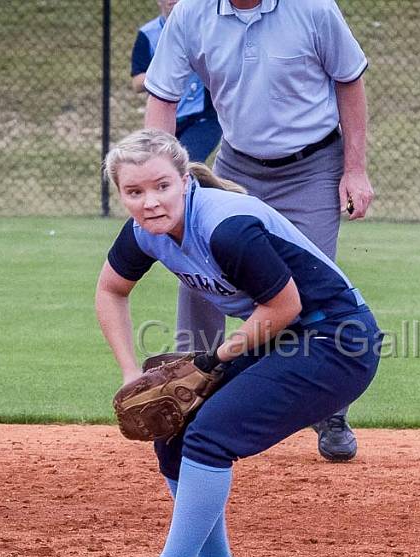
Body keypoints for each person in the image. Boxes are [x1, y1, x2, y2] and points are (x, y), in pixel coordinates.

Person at [93, 130, 381, 557]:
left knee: (211, 434)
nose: (150, 201)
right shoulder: (144, 232)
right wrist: (130, 372)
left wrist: (216, 358)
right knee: (176, 432)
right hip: (286, 336)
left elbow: (284, 305)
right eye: (134, 192)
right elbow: (110, 290)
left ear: (185, 181)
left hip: (339, 341)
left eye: (162, 185)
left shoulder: (226, 226)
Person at [142, 0, 375, 462]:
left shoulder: (313, 8)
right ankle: (190, 389)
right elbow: (162, 98)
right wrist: (157, 178)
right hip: (235, 163)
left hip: (311, 166)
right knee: (196, 274)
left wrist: (355, 170)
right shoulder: (192, 13)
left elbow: (350, 80)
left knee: (307, 291)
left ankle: (331, 410)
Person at [130, 0, 221, 163]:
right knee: (161, 165)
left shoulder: (204, 26)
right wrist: (170, 71)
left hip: (202, 117)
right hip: (166, 115)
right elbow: (137, 82)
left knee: (188, 165)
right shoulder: (148, 34)